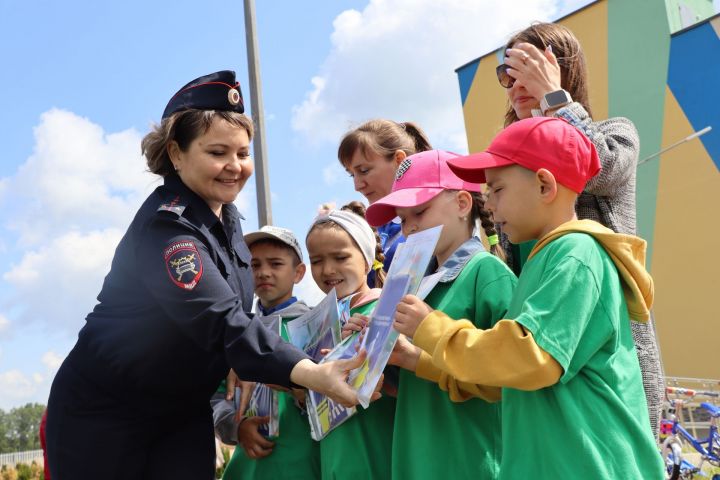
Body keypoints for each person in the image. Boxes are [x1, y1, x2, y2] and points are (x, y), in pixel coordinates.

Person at [45, 70, 371, 480]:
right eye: (218, 152)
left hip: (181, 412)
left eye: (243, 153)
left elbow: (235, 323)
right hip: (106, 414)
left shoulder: (228, 220)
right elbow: (221, 322)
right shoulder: (167, 228)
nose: (235, 167)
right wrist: (310, 373)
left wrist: (261, 369)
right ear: (176, 154)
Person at [396, 117, 664, 478]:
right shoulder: (544, 258)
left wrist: (432, 328)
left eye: (498, 189)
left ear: (544, 184)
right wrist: (419, 361)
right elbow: (502, 381)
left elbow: (531, 356)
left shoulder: (576, 253)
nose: (488, 205)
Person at [495, 22, 664, 438]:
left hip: (612, 356)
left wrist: (554, 100)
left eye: (530, 67)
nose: (517, 84)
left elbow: (597, 168)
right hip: (543, 351)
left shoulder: (614, 133)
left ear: (563, 70)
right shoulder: (509, 169)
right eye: (507, 74)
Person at [364, 149, 517, 479]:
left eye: (419, 212)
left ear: (463, 204)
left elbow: (510, 380)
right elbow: (408, 387)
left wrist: (413, 356)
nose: (409, 229)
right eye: (403, 219)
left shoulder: (487, 273)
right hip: (415, 459)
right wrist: (368, 352)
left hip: (472, 462)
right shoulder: (410, 286)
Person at [212, 225, 319, 480]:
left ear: (298, 272)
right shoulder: (234, 331)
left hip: (305, 464)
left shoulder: (317, 325)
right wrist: (237, 428)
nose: (264, 273)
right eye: (254, 265)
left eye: (275, 263)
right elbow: (216, 396)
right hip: (249, 468)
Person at [305, 208, 395, 480]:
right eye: (316, 260)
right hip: (335, 458)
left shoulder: (387, 309)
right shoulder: (317, 325)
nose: (328, 269)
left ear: (367, 261)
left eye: (341, 257)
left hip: (378, 452)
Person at [338, 119, 432, 285]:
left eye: (364, 171)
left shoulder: (434, 219)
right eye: (352, 175)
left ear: (399, 160)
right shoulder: (373, 230)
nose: (357, 185)